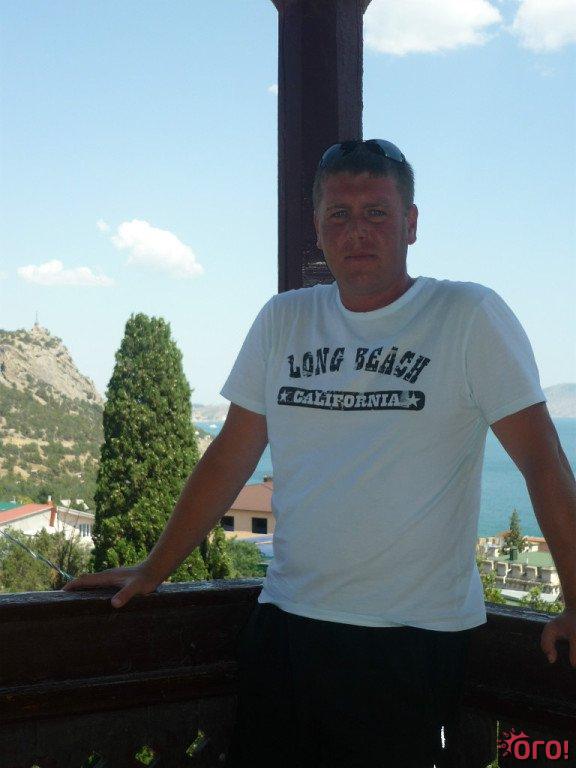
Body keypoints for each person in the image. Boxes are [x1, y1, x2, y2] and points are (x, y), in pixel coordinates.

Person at [63, 139, 576, 767]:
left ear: (411, 223)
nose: (357, 230)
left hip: (411, 640)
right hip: (286, 627)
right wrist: (155, 567)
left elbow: (543, 462)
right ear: (318, 228)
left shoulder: (467, 315)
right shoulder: (284, 319)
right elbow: (229, 456)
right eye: (340, 214)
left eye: (377, 212)